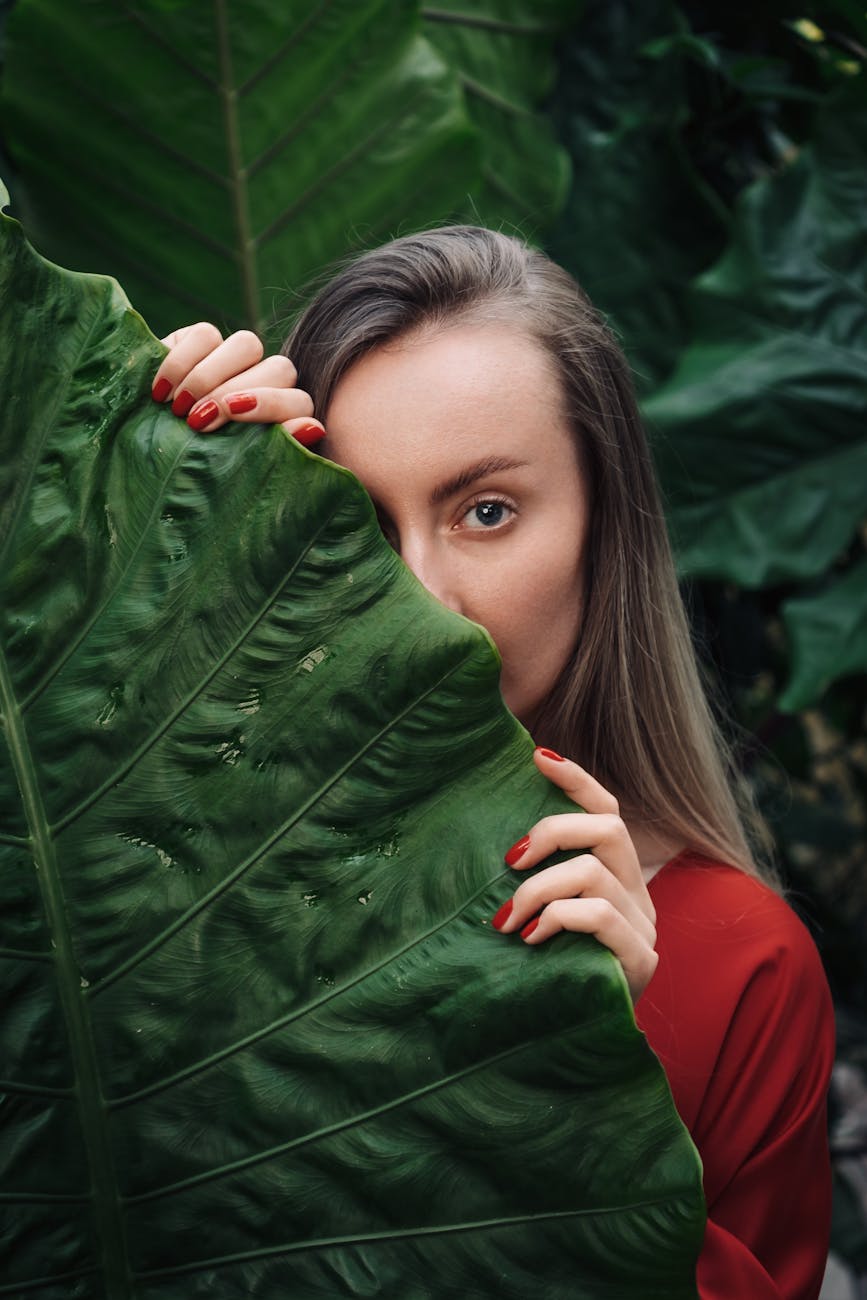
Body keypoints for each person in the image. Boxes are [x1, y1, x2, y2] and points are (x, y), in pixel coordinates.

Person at [150, 226, 834, 1299]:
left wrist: (574, 1085)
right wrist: (158, 520)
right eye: (364, 525)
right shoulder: (173, 871)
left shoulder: (740, 964)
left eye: (486, 511)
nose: (424, 600)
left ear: (601, 528)